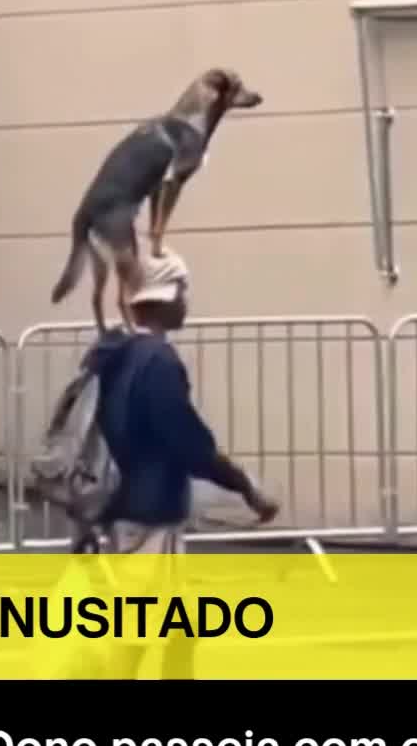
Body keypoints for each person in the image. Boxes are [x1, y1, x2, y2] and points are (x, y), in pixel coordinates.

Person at [75, 245, 278, 679]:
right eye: (182, 290)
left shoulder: (120, 355)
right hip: (150, 513)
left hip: (133, 505)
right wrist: (245, 486)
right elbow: (187, 442)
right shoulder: (158, 362)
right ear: (166, 297)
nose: (187, 300)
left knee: (179, 630)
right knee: (135, 635)